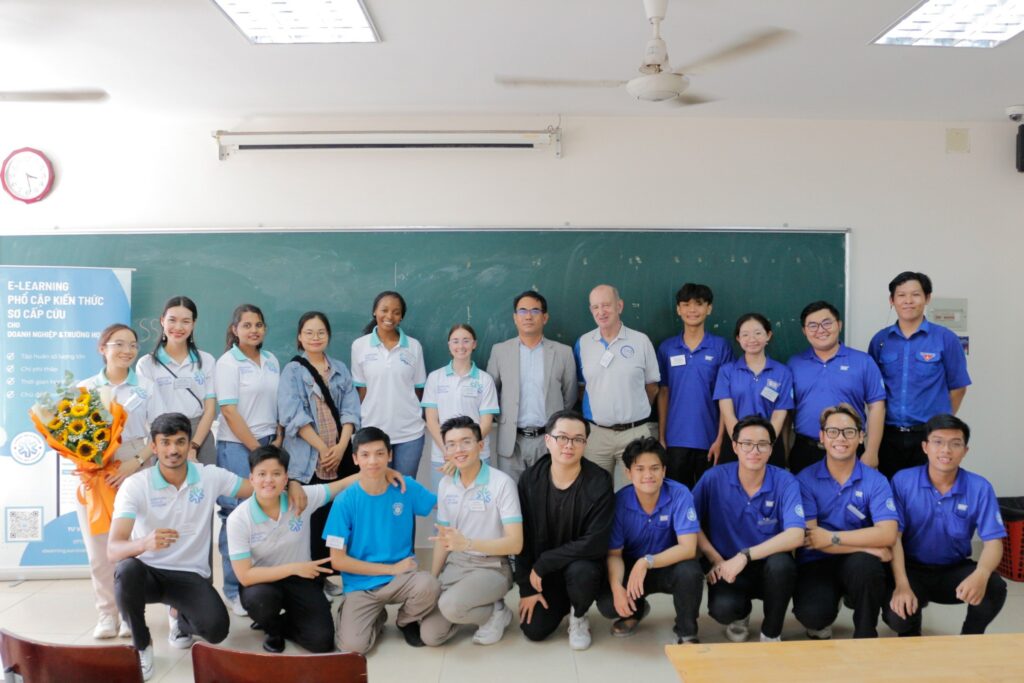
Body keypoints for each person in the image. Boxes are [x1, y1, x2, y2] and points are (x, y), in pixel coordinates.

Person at [108, 414, 248, 681]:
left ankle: (178, 613)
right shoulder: (136, 484)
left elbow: (258, 488)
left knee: (217, 631)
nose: (173, 450)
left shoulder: (210, 476)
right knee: (125, 571)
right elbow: (113, 550)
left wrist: (293, 487)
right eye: (166, 442)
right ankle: (142, 646)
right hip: (147, 571)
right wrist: (143, 543)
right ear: (154, 446)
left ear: (189, 444)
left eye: (180, 442)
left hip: (189, 575)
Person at [227, 444, 405, 653]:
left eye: (276, 474)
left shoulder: (301, 498)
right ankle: (272, 629)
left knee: (321, 642)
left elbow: (341, 485)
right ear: (252, 479)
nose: (268, 480)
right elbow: (246, 576)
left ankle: (287, 623)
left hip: (301, 580)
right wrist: (294, 568)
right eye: (262, 474)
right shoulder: (238, 519)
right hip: (262, 582)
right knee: (261, 602)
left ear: (286, 479)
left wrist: (381, 471)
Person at [883, 414, 1007, 636]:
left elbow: (993, 542)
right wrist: (901, 584)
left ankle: (970, 638)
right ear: (925, 447)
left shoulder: (979, 487)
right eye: (938, 442)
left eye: (955, 444)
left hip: (953, 569)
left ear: (965, 451)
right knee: (899, 617)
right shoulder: (902, 481)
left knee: (994, 587)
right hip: (911, 569)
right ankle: (911, 635)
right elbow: (894, 538)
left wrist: (982, 573)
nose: (946, 450)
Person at [324, 426, 439, 654]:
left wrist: (461, 476)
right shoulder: (344, 502)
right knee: (352, 649)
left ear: (390, 455)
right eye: (365, 455)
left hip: (401, 577)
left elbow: (440, 503)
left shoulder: (405, 486)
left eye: (379, 453)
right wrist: (389, 568)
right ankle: (372, 616)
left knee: (429, 585)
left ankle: (406, 620)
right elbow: (337, 561)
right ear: (355, 459)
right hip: (361, 585)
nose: (372, 461)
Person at [693, 415, 805, 642]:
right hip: (727, 565)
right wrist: (715, 559)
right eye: (746, 444)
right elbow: (689, 523)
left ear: (771, 449)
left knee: (782, 565)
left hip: (768, 567)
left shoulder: (785, 481)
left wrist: (746, 556)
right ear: (734, 446)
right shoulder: (713, 478)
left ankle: (771, 632)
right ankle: (740, 615)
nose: (754, 450)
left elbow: (796, 535)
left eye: (762, 444)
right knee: (723, 609)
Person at [792, 404, 899, 639]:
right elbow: (812, 539)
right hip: (817, 561)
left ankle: (865, 631)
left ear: (861, 437)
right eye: (832, 431)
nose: (840, 438)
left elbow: (889, 534)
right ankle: (830, 603)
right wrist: (867, 544)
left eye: (849, 432)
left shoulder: (876, 481)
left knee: (866, 567)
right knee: (813, 615)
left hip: (857, 562)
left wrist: (831, 537)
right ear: (822, 437)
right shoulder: (805, 480)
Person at [420, 417, 523, 646]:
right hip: (458, 565)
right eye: (452, 444)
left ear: (480, 445)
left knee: (450, 606)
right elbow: (444, 538)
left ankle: (497, 612)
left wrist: (467, 543)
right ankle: (469, 606)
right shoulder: (446, 484)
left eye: (466, 442)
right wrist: (433, 579)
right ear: (445, 450)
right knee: (430, 635)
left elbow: (515, 544)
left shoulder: (501, 483)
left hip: (493, 566)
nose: (459, 449)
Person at [76, 324, 151, 640]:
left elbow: (158, 432)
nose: (127, 350)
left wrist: (134, 463)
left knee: (133, 548)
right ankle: (107, 614)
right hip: (94, 471)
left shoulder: (145, 387)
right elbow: (75, 436)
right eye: (118, 344)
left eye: (132, 345)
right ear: (102, 348)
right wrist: (90, 465)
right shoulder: (86, 388)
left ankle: (131, 615)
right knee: (99, 549)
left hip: (135, 464)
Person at [277, 311, 360, 595]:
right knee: (307, 520)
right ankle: (308, 580)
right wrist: (324, 448)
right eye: (309, 332)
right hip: (308, 459)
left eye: (321, 332)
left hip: (339, 457)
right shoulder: (292, 371)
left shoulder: (339, 368)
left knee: (332, 518)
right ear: (300, 337)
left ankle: (324, 576)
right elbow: (292, 416)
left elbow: (351, 410)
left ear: (328, 336)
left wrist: (340, 447)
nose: (315, 337)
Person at [516, 409, 613, 650]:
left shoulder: (599, 481)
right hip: (545, 576)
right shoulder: (530, 479)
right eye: (562, 437)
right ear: (548, 440)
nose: (569, 445)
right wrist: (526, 589)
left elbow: (596, 542)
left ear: (585, 444)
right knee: (534, 630)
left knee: (582, 572)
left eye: (578, 439)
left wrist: (546, 561)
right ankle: (563, 604)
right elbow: (522, 537)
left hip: (582, 568)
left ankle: (579, 615)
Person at [596, 437, 703, 644]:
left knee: (690, 571)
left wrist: (647, 561)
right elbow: (614, 554)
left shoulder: (680, 494)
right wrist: (617, 587)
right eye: (640, 469)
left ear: (664, 470)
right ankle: (635, 612)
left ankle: (686, 630)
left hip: (668, 565)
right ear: (628, 473)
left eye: (655, 468)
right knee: (608, 603)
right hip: (632, 569)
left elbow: (689, 548)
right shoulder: (619, 502)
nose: (648, 475)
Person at [868, 272, 971, 479]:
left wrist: (941, 422)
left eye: (915, 294)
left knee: (929, 493)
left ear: (927, 298)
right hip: (888, 435)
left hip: (930, 435)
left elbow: (958, 386)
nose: (908, 301)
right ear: (892, 300)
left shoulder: (945, 339)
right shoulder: (880, 340)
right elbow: (872, 392)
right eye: (901, 295)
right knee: (890, 492)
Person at [215, 303, 282, 615]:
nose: (253, 330)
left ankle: (262, 583)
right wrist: (257, 450)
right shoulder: (228, 363)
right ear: (234, 329)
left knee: (266, 515)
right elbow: (229, 411)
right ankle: (232, 588)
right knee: (236, 516)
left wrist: (277, 437)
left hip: (269, 443)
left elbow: (278, 402)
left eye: (258, 324)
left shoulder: (271, 360)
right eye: (247, 325)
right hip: (239, 448)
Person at [487, 290, 578, 482]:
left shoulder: (563, 353)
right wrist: (505, 417)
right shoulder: (499, 351)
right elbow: (490, 393)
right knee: (511, 499)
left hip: (549, 439)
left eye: (535, 311)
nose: (528, 316)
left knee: (547, 497)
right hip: (511, 441)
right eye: (522, 311)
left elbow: (569, 396)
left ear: (545, 317)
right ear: (515, 317)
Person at [787, 301, 886, 474]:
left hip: (849, 448)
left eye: (827, 323)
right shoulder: (794, 364)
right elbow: (786, 413)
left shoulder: (863, 362)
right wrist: (785, 451)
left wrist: (872, 452)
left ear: (839, 325)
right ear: (804, 331)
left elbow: (877, 406)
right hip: (806, 450)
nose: (820, 329)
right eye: (812, 325)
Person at [574, 284, 660, 475]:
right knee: (595, 495)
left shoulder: (641, 341)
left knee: (636, 495)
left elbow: (652, 387)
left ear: (619, 306)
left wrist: (632, 410)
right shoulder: (583, 343)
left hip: (635, 434)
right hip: (596, 435)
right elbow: (581, 387)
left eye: (606, 305)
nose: (601, 312)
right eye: (595, 307)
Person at [656, 282, 734, 487]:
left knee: (708, 503)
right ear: (678, 309)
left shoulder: (721, 347)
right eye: (686, 304)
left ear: (709, 308)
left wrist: (720, 439)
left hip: (710, 441)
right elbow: (663, 392)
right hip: (675, 440)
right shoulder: (666, 348)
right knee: (677, 500)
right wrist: (662, 437)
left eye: (699, 304)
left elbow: (726, 397)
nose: (692, 310)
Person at [350, 291, 428, 478]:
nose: (389, 316)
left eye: (396, 312)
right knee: (376, 489)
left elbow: (418, 388)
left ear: (401, 317)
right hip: (372, 430)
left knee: (404, 488)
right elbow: (361, 390)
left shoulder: (413, 346)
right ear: (374, 312)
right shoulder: (359, 346)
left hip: (409, 433)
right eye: (384, 310)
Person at [136, 296, 217, 464]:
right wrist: (165, 443)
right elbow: (145, 414)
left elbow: (210, 410)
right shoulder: (147, 364)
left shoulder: (207, 360)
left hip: (199, 436)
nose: (178, 327)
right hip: (163, 436)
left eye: (186, 321)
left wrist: (193, 447)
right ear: (162, 321)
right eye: (172, 320)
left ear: (194, 323)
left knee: (203, 488)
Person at [422, 324, 500, 491]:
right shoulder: (435, 378)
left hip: (477, 455)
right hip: (443, 456)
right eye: (455, 341)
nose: (461, 346)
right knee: (444, 508)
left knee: (478, 507)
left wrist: (465, 450)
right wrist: (450, 452)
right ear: (449, 345)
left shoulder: (485, 380)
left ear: (474, 344)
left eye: (466, 341)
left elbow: (486, 423)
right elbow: (431, 420)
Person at [713, 313, 793, 467]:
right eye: (745, 334)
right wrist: (741, 444)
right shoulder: (727, 371)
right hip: (735, 445)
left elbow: (779, 416)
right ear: (738, 338)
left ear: (768, 335)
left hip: (770, 444)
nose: (752, 339)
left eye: (758, 333)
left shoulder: (783, 372)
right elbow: (728, 414)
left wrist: (764, 444)